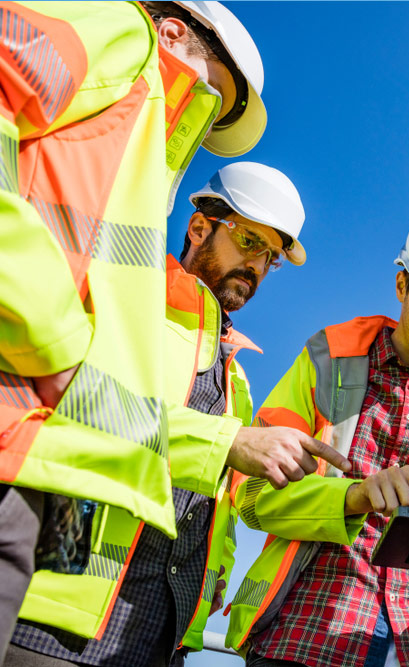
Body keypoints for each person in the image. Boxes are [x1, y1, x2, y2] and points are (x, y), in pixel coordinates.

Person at [0, 1, 267, 661]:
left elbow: (108, 406)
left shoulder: (226, 357)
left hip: (38, 471)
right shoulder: (122, 31)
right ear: (172, 30)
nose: (197, 116)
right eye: (209, 94)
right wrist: (54, 339)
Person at [5, 163, 352, 667]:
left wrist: (217, 572)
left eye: (271, 258)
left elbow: (221, 504)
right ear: (199, 228)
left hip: (162, 633)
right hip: (59, 625)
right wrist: (228, 443)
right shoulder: (126, 301)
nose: (257, 266)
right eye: (251, 242)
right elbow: (83, 410)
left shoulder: (235, 376)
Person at [225, 206, 409, 667]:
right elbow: (250, 496)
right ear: (402, 285)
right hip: (309, 631)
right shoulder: (327, 358)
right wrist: (354, 496)